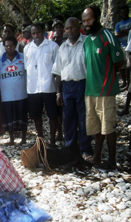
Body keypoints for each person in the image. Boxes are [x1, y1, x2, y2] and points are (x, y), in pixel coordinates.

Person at [82, 5, 125, 169]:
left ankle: (112, 161)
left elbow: (120, 61)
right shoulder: (87, 41)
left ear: (97, 17)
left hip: (106, 91)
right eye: (84, 20)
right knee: (96, 127)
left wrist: (108, 78)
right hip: (90, 90)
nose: (86, 23)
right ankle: (97, 156)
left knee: (108, 127)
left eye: (89, 19)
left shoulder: (107, 35)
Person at [52, 17, 93, 159]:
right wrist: (58, 92)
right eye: (67, 28)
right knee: (68, 118)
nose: (69, 31)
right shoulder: (62, 48)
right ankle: (70, 147)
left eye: (72, 27)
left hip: (83, 84)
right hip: (67, 86)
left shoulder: (86, 43)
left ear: (79, 26)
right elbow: (57, 72)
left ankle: (85, 148)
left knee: (83, 118)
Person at [24, 22, 59, 145]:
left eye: (38, 32)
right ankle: (41, 139)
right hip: (33, 88)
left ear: (43, 31)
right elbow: (26, 68)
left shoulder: (53, 46)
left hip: (49, 87)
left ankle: (53, 140)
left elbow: (57, 69)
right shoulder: (27, 48)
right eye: (33, 33)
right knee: (36, 116)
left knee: (52, 115)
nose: (36, 35)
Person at [0, 36, 28, 145]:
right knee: (9, 117)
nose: (9, 48)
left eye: (11, 45)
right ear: (4, 47)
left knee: (22, 116)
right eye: (7, 46)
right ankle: (12, 139)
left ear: (15, 46)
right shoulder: (0, 61)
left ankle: (23, 138)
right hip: (6, 96)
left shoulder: (23, 58)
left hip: (21, 94)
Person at [115, 5, 131, 90]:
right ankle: (124, 82)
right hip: (121, 46)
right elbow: (116, 34)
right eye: (122, 13)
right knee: (122, 66)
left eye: (125, 12)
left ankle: (129, 83)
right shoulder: (118, 24)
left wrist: (123, 32)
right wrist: (128, 32)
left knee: (129, 66)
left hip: (130, 47)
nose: (123, 14)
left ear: (128, 12)